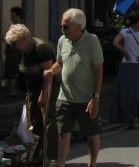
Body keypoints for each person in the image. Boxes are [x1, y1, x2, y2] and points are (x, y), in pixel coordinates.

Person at [43, 9, 103, 167]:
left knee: (91, 134)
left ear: (78, 27)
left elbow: (98, 70)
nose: (62, 29)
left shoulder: (92, 41)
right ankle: (61, 164)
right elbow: (60, 63)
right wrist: (51, 71)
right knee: (63, 133)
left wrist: (95, 98)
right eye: (62, 26)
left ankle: (92, 163)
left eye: (65, 26)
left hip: (86, 99)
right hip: (65, 97)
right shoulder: (63, 40)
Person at [6, 23, 57, 165]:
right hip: (32, 91)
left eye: (16, 44)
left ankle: (48, 157)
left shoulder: (41, 49)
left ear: (24, 39)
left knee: (46, 123)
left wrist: (44, 94)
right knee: (34, 124)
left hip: (46, 90)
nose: (15, 48)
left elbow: (48, 75)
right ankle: (36, 156)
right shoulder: (24, 52)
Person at [109, 11, 139, 128]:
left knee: (127, 92)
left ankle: (128, 118)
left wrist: (124, 51)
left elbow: (115, 42)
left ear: (129, 21)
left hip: (127, 63)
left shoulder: (125, 31)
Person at [4, 6, 25, 96]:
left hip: (15, 53)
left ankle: (12, 90)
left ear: (18, 16)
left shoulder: (19, 27)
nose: (11, 16)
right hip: (10, 52)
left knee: (12, 72)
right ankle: (11, 90)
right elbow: (4, 37)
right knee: (9, 71)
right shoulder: (12, 27)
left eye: (13, 15)